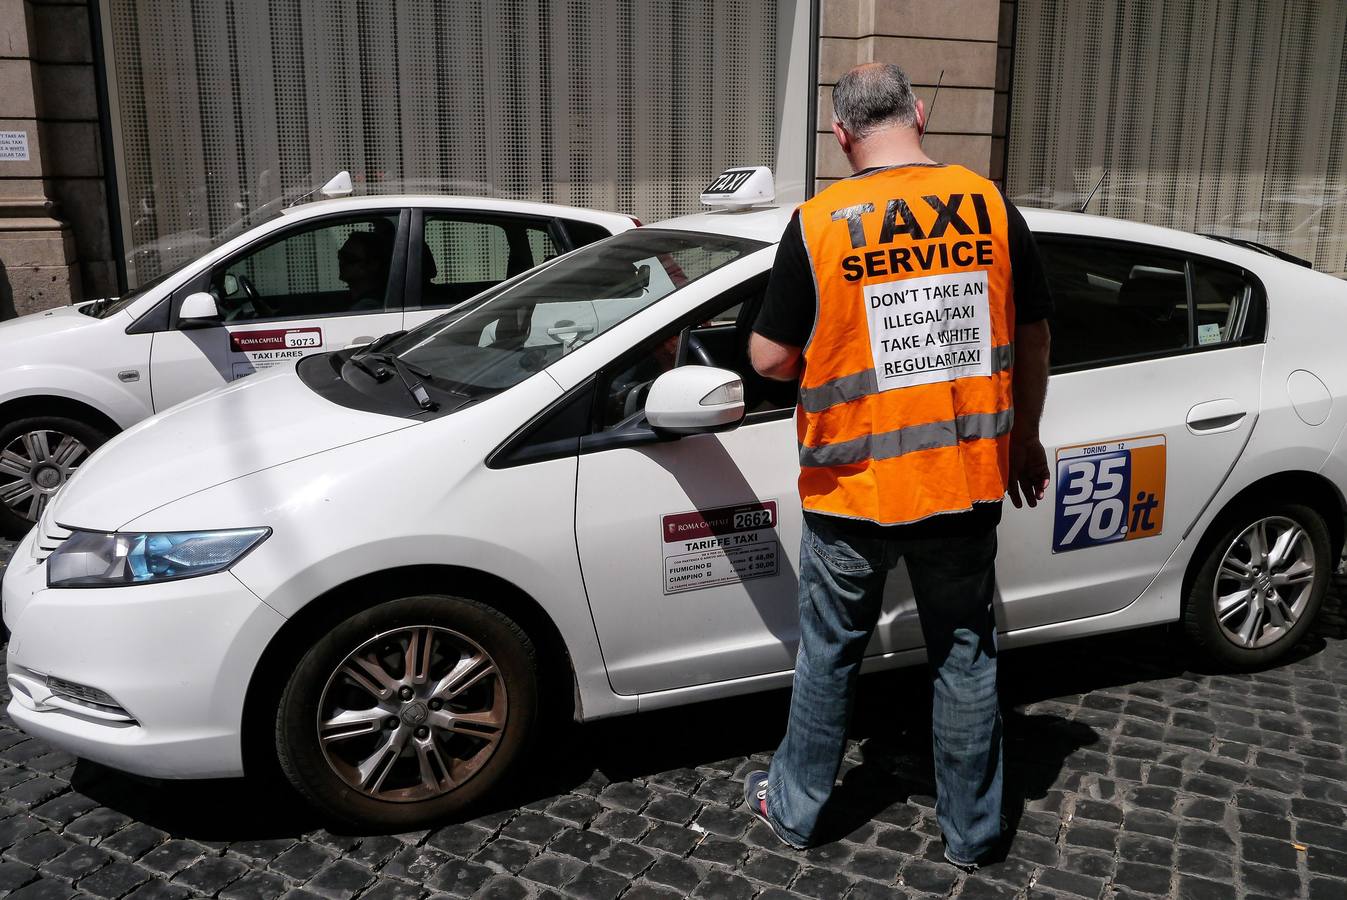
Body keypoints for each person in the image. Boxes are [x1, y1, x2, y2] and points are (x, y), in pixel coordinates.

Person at [742, 61, 1053, 869]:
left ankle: (799, 808)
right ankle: (975, 834)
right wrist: (1022, 438)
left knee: (829, 654)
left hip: (850, 488)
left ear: (840, 134)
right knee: (964, 654)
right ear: (919, 113)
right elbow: (1035, 334)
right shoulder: (987, 204)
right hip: (963, 481)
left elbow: (771, 358)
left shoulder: (819, 221)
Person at [338, 228, 395, 312]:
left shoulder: (367, 307)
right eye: (340, 256)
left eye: (349, 258)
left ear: (372, 266)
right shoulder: (357, 299)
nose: (341, 262)